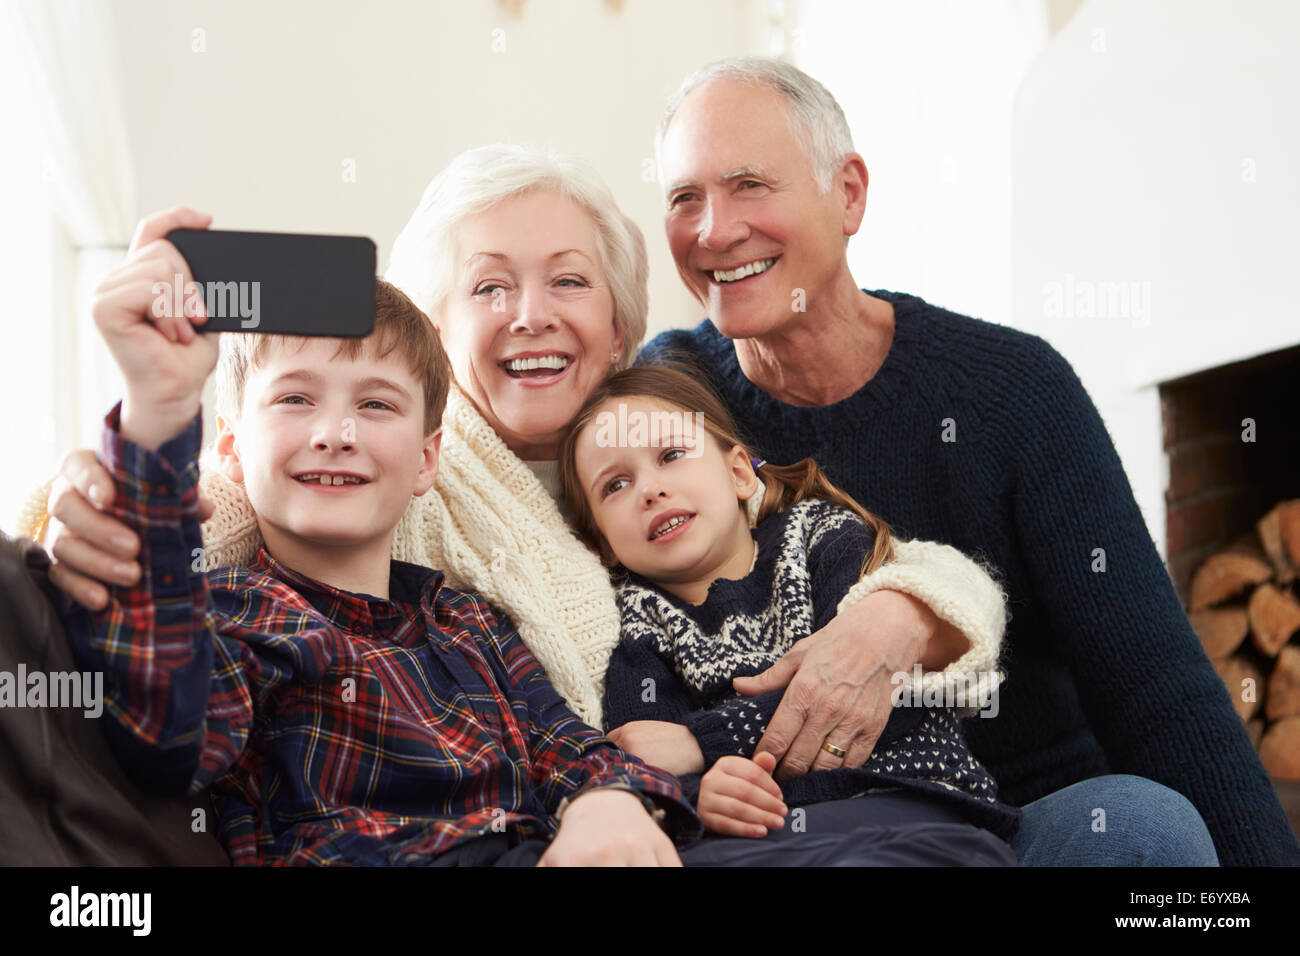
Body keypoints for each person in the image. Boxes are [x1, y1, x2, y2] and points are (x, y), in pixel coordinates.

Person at [23, 147, 1009, 862]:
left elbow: (850, 542)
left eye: (567, 282)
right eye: (489, 288)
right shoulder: (362, 501)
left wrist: (893, 614)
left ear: (623, 325)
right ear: (442, 333)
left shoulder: (655, 441)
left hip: (724, 820)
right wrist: (142, 445)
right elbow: (224, 529)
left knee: (1107, 823)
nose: (531, 314)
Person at [639, 56, 1300, 866]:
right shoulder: (661, 404)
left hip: (1022, 816)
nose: (713, 230)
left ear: (848, 193)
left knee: (1144, 828)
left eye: (749, 185)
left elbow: (1155, 686)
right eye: (685, 199)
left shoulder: (1013, 390)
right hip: (805, 842)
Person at [558, 364, 1019, 864]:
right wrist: (701, 795)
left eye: (671, 455)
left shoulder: (822, 541)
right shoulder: (637, 623)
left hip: (903, 800)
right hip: (769, 837)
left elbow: (886, 697)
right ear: (601, 544)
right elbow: (645, 761)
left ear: (737, 472)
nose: (649, 489)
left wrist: (703, 743)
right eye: (615, 485)